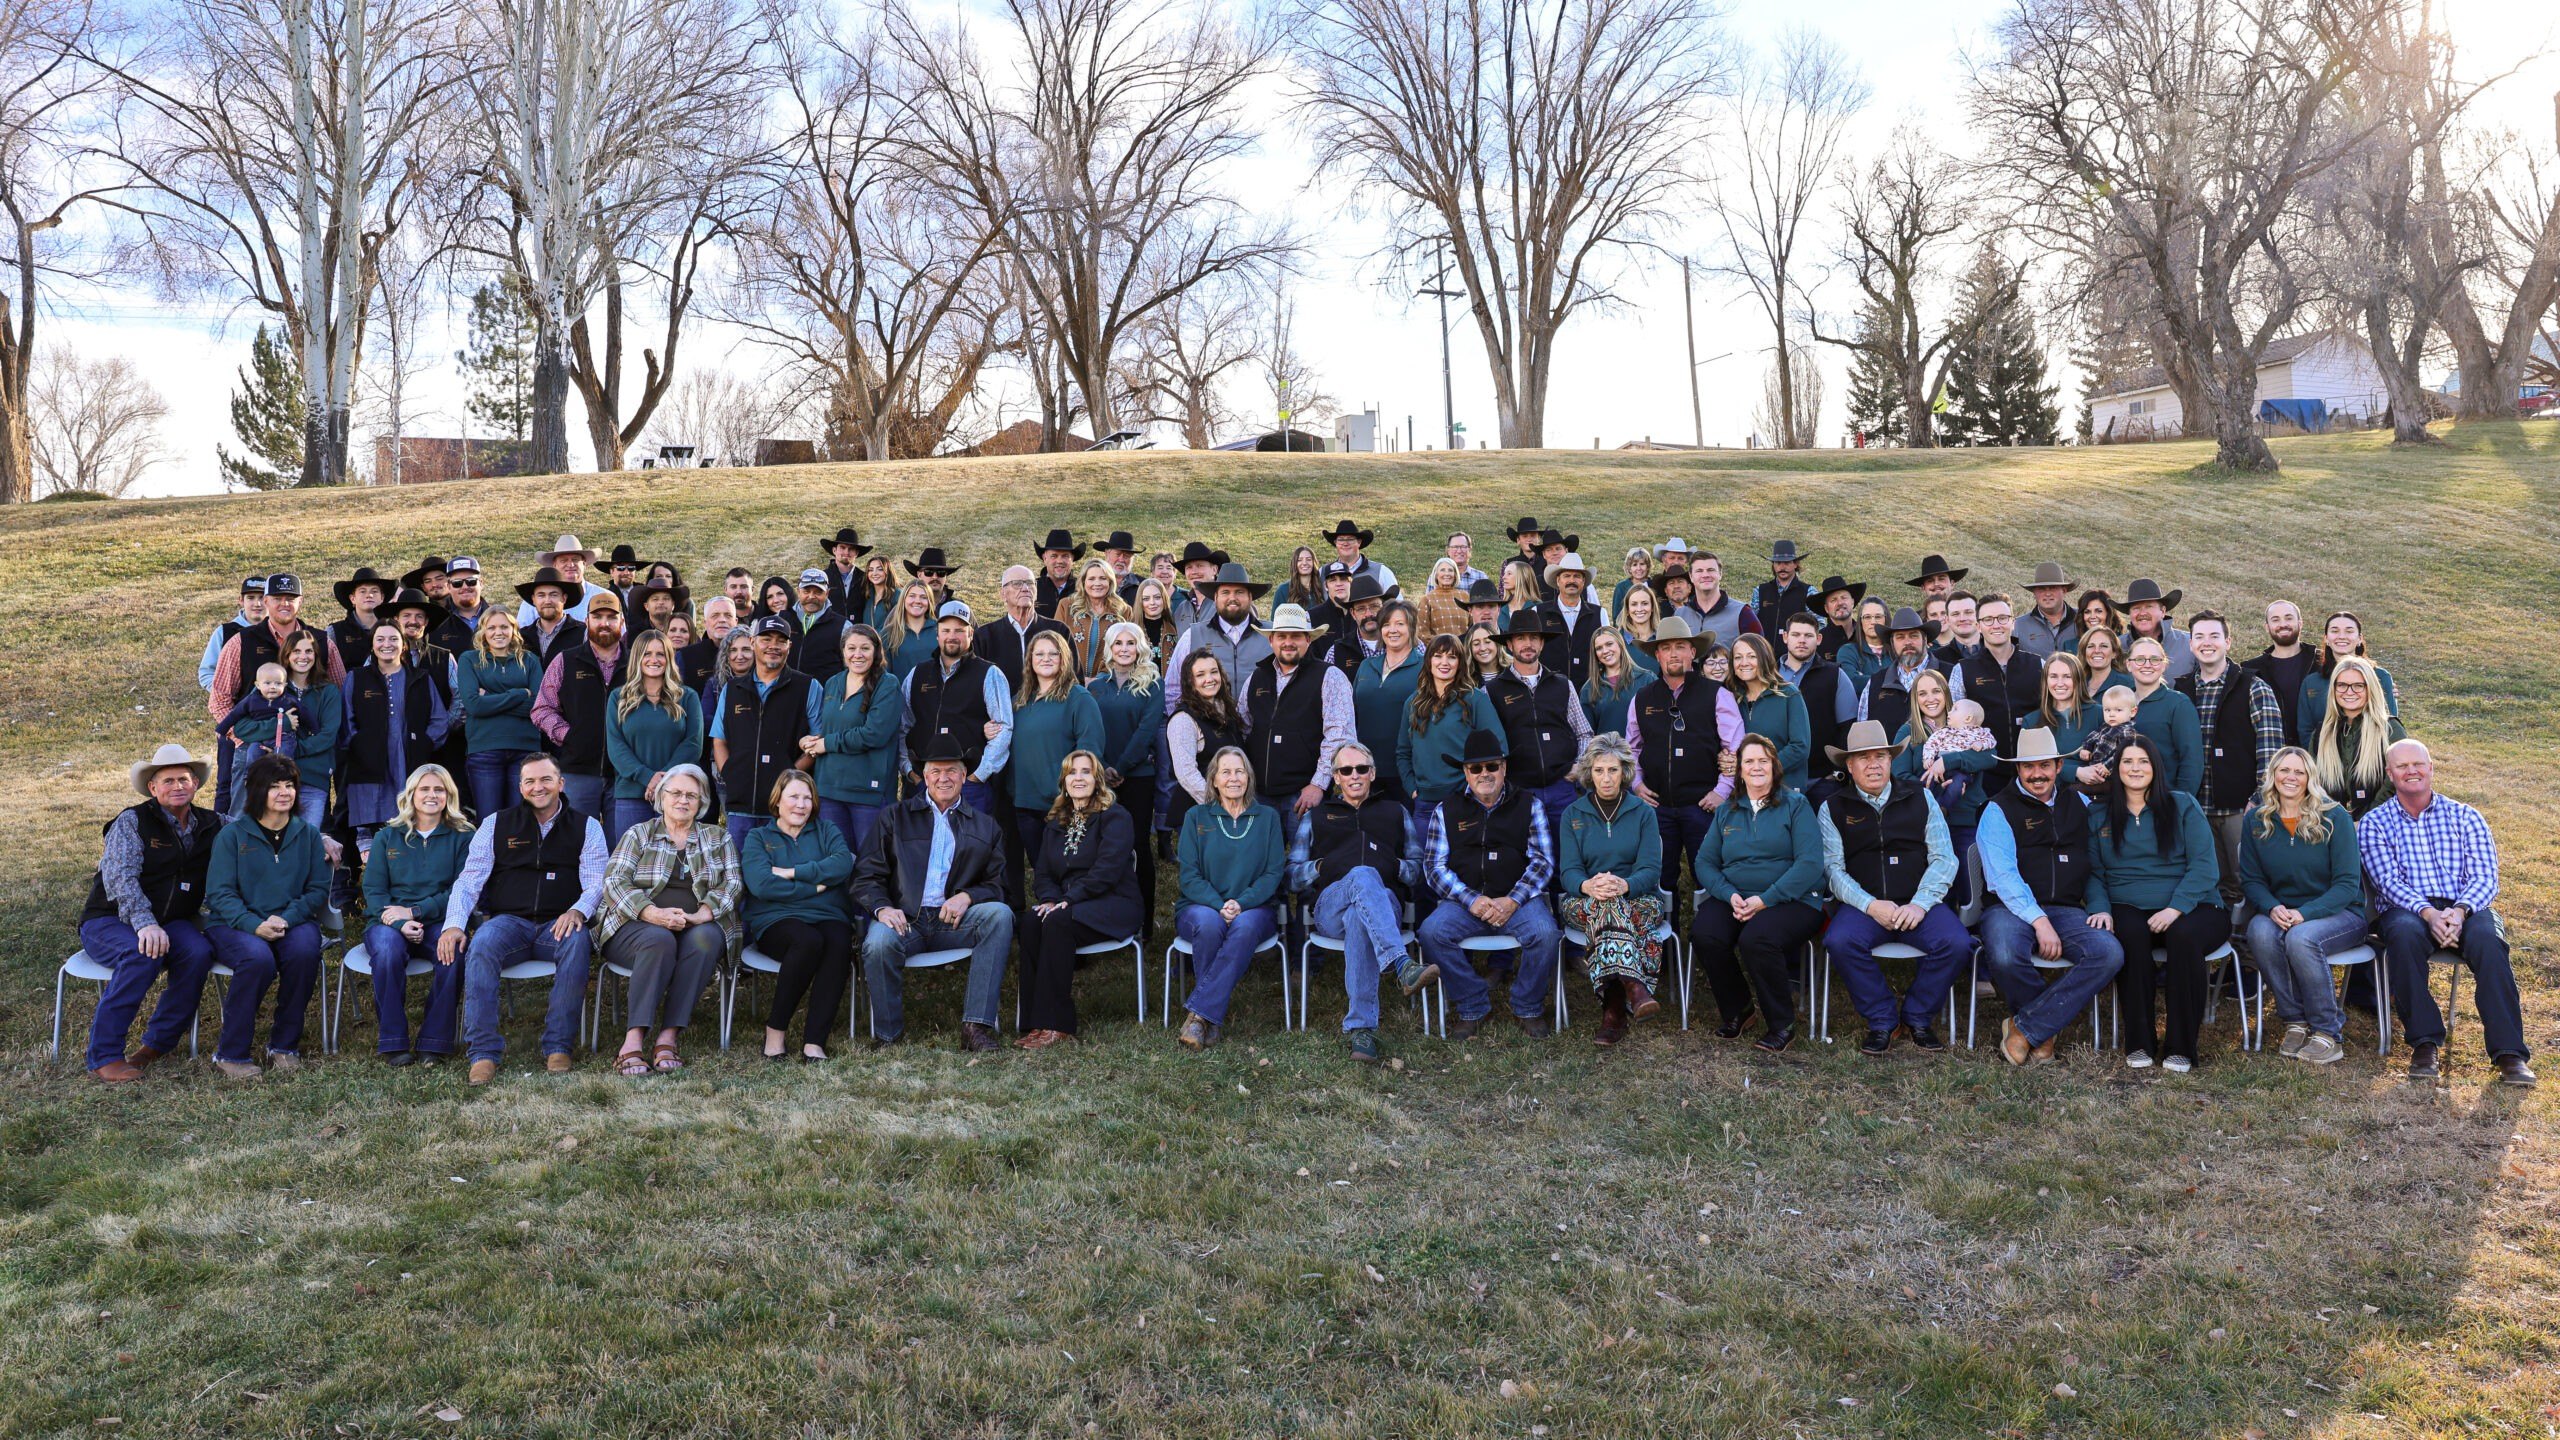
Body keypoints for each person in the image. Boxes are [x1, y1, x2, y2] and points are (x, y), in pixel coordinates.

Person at [2359, 739, 2531, 1085]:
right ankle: (2424, 1044)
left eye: (2418, 764)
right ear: (2390, 775)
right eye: (2402, 766)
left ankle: (2510, 1054)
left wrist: (2459, 911)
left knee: (2488, 941)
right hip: (2408, 908)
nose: (2412, 771)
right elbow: (2386, 881)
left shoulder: (2465, 815)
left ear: (2431, 769)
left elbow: (2485, 876)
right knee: (2403, 937)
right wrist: (2428, 914)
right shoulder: (2374, 823)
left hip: (2466, 905)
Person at [438, 754, 604, 1084]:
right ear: (520, 787)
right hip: (508, 922)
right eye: (530, 781)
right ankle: (483, 1053)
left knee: (578, 941)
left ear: (561, 783)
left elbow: (598, 881)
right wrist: (454, 923)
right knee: (482, 943)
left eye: (545, 779)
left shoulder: (587, 826)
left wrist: (578, 911)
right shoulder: (496, 824)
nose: (537, 787)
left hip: (559, 923)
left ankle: (558, 1046)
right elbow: (470, 879)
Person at [1817, 720, 1970, 1056]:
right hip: (1864, 907)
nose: (1874, 764)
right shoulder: (1833, 807)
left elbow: (1945, 858)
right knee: (1839, 941)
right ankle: (1884, 1019)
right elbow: (1833, 870)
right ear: (1850, 765)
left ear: (1891, 760)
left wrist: (1920, 903)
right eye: (1864, 758)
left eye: (1881, 756)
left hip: (1919, 903)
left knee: (1958, 944)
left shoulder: (1921, 797)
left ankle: (1917, 1016)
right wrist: (1871, 905)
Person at [851, 739, 1014, 1051]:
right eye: (936, 771)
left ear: (964, 777)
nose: (944, 778)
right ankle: (888, 1035)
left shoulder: (985, 826)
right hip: (905, 919)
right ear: (924, 778)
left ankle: (976, 1027)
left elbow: (999, 884)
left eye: (952, 771)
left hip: (953, 921)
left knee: (999, 916)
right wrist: (882, 908)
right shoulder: (894, 817)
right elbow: (865, 875)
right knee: (878, 943)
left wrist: (968, 895)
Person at [1975, 728, 2124, 1066]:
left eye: (2044, 765)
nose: (2036, 774)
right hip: (2009, 909)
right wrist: (2039, 921)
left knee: (2108, 952)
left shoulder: (2081, 803)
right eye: (2028, 767)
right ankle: (2045, 1030)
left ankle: (2026, 1028)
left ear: (2059, 766)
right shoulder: (1997, 810)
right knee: (2005, 954)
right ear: (2018, 770)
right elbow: (2002, 877)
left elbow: (2099, 859)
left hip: (2068, 909)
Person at [77, 745, 226, 1082]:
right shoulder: (132, 821)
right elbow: (120, 878)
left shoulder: (212, 822)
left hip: (171, 922)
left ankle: (157, 1044)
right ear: (153, 788)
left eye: (184, 779)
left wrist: (316, 839)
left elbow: (257, 832)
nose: (178, 786)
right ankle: (104, 1056)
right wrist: (144, 923)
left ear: (196, 784)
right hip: (109, 919)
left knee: (199, 952)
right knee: (140, 953)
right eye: (168, 780)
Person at [2087, 735, 2230, 1072]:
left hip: (2193, 906)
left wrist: (2175, 907)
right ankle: (2139, 1041)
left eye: (2143, 762)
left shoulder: (2182, 805)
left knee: (2184, 937)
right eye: (2127, 762)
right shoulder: (2098, 813)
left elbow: (2205, 866)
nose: (2135, 768)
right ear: (2116, 768)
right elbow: (2093, 871)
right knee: (2130, 935)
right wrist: (2100, 907)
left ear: (2156, 767)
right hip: (2127, 902)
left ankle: (2181, 1047)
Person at [1417, 729, 1562, 1038]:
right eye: (1476, 768)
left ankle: (1527, 1005)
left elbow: (1543, 861)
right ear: (1465, 773)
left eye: (1492, 766)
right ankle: (1472, 1004)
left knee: (1546, 933)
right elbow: (1433, 867)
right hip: (1465, 904)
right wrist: (1472, 900)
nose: (1485, 774)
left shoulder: (1529, 805)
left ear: (1504, 768)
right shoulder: (1446, 810)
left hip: (1519, 901)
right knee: (1431, 933)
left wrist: (1513, 899)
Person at [1290, 742, 1430, 1060]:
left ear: (1373, 773)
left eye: (1361, 769)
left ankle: (1362, 1031)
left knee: (1360, 913)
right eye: (1345, 770)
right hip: (1330, 908)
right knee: (1360, 880)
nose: (1354, 776)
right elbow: (1292, 876)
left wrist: (1391, 865)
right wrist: (1323, 866)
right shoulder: (1317, 816)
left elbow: (1416, 871)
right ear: (1336, 778)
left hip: (1385, 905)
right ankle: (1400, 962)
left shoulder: (1395, 812)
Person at [596, 764, 739, 1076]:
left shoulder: (718, 838)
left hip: (695, 923)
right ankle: (633, 1039)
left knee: (707, 939)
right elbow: (614, 882)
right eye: (675, 793)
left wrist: (705, 912)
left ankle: (668, 1036)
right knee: (658, 940)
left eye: (691, 795)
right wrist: (652, 913)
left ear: (702, 802)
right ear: (661, 797)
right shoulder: (639, 834)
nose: (683, 800)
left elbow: (732, 884)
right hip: (635, 925)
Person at [1691, 733, 1826, 1051]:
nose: (1756, 767)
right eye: (1749, 761)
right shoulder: (1727, 810)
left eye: (1763, 760)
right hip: (1737, 897)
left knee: (1757, 939)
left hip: (1793, 900)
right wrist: (1728, 894)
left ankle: (1782, 1024)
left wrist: (1766, 900)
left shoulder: (1796, 805)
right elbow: (1705, 862)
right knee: (1705, 932)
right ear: (1738, 769)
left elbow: (1810, 864)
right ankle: (1739, 1009)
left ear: (1775, 766)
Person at [200, 752, 332, 1077]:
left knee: (304, 951)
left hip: (291, 920)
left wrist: (287, 917)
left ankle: (283, 1046)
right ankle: (231, 1054)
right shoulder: (232, 836)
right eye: (275, 786)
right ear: (258, 790)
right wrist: (253, 924)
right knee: (257, 959)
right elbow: (219, 893)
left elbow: (316, 890)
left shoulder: (309, 835)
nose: (284, 792)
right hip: (235, 924)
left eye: (290, 785)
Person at [2234, 746, 2364, 1066]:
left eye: (2299, 772)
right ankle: (2295, 1020)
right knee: (2259, 931)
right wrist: (2271, 907)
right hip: (2283, 909)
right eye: (2284, 770)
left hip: (2340, 913)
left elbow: (2347, 884)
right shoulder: (2256, 819)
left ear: (2310, 777)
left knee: (2301, 937)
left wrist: (2305, 914)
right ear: (2273, 775)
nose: (2291, 777)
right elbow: (2251, 880)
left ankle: (2328, 1031)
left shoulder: (2335, 817)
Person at [1020, 751, 1142, 1048]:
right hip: (1068, 905)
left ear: (1097, 780)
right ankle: (1034, 1022)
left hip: (1115, 903)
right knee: (1032, 919)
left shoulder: (1115, 817)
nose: (1078, 778)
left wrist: (1068, 899)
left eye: (1086, 772)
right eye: (1072, 772)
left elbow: (1107, 871)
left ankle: (1057, 1025)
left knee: (1058, 921)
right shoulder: (1056, 823)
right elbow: (1044, 873)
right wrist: (1050, 898)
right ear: (1064, 781)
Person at [1169, 747, 1286, 1049]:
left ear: (1248, 777)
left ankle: (1201, 1016)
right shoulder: (1196, 817)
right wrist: (1219, 904)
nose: (1234, 778)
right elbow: (1189, 876)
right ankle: (1211, 1017)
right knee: (1209, 924)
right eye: (1226, 772)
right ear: (1214, 780)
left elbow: (1273, 874)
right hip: (1201, 906)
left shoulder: (1268, 818)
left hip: (1254, 909)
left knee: (1244, 926)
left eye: (1240, 771)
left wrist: (1242, 902)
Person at [358, 763, 472, 1064]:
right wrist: (400, 921)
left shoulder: (463, 836)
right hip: (389, 922)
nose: (431, 795)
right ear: (411, 794)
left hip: (441, 921)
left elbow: (463, 890)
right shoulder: (387, 836)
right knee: (386, 952)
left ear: (449, 795)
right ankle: (394, 1040)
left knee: (453, 954)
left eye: (439, 789)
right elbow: (374, 892)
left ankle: (435, 1041)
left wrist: (417, 911)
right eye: (425, 789)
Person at [1555, 733, 1664, 1047]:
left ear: (1625, 772)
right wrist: (1588, 885)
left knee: (1611, 908)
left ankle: (1613, 1010)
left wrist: (1625, 884)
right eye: (1599, 770)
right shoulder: (1573, 814)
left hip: (1638, 898)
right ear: (1589, 772)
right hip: (1584, 899)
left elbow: (1650, 870)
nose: (1606, 778)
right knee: (1604, 906)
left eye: (1613, 770)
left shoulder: (1643, 813)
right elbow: (1569, 872)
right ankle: (1635, 987)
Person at [741, 771, 855, 1062]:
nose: (801, 804)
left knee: (838, 941)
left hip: (828, 915)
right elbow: (761, 884)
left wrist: (793, 873)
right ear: (778, 800)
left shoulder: (827, 830)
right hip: (776, 920)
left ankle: (814, 1041)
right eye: (794, 796)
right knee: (807, 940)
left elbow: (842, 865)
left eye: (808, 798)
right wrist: (817, 885)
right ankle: (775, 1029)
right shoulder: (758, 837)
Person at [2176, 611, 2286, 905]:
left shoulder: (2254, 687)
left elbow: (2272, 752)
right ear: (2190, 644)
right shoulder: (2180, 690)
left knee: (2247, 881)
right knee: (2208, 882)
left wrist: (2258, 800)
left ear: (2228, 641)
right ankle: (2221, 944)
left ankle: (2251, 947)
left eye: (2214, 636)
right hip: (2195, 806)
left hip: (2240, 807)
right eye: (2199, 637)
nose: (2206, 643)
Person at [1625, 616, 1742, 883]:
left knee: (1709, 875)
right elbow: (1631, 748)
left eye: (1680, 646)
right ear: (1657, 654)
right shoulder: (1642, 698)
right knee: (1659, 876)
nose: (1673, 653)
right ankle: (1665, 923)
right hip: (1657, 806)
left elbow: (1734, 747)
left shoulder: (1717, 694)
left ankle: (1707, 924)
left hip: (1703, 805)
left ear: (1693, 652)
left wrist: (1721, 791)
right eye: (1666, 647)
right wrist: (1636, 784)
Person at [342, 621, 454, 879]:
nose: (387, 645)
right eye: (380, 639)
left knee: (407, 817)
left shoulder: (420, 677)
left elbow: (438, 719)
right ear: (372, 645)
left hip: (408, 758)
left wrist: (424, 744)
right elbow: (346, 720)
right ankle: (373, 881)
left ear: (403, 645)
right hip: (367, 761)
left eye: (393, 639)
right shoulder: (356, 678)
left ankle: (408, 878)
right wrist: (359, 744)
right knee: (369, 824)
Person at [716, 615, 824, 848]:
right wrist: (731, 774)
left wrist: (789, 780)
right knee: (739, 875)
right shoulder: (733, 688)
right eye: (766, 639)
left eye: (780, 641)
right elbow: (719, 739)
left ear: (789, 646)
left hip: (784, 809)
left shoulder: (808, 687)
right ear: (753, 642)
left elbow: (816, 743)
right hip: (740, 807)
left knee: (779, 875)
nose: (773, 646)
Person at [1243, 603, 1356, 814]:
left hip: (1304, 793)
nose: (1288, 643)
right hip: (1258, 794)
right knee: (1264, 848)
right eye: (1281, 636)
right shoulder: (1256, 677)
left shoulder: (1329, 676)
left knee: (1303, 848)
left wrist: (1318, 784)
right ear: (1271, 640)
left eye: (1295, 636)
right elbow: (1243, 727)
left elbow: (1340, 735)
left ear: (1308, 639)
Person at [1485, 607, 1591, 830]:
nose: (1528, 644)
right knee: (1527, 857)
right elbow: (1490, 745)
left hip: (1562, 788)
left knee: (1568, 855)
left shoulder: (1563, 685)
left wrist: (1577, 768)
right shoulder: (1492, 691)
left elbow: (1584, 733)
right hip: (1519, 791)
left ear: (1542, 643)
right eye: (1520, 638)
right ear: (1509, 644)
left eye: (1534, 637)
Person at [1086, 621, 1162, 926]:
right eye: (1119, 643)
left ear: (1140, 647)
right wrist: (1103, 766)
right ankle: (1103, 916)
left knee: (1138, 845)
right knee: (1099, 846)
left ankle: (1144, 921)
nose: (1125, 649)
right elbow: (1089, 729)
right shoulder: (1095, 687)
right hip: (1099, 778)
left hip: (1138, 777)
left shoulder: (1153, 684)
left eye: (1131, 643)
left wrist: (1122, 767)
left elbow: (1146, 731)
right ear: (1110, 649)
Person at [802, 624, 901, 856]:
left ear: (876, 651)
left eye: (865, 648)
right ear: (843, 651)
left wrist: (827, 744)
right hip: (829, 789)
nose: (858, 654)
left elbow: (874, 734)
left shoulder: (887, 684)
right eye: (851, 648)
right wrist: (811, 740)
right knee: (837, 861)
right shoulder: (833, 682)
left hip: (867, 792)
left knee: (871, 863)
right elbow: (830, 729)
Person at [602, 629, 707, 847]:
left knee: (675, 865)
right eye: (647, 654)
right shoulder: (618, 698)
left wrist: (665, 779)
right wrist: (647, 777)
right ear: (637, 658)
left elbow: (693, 744)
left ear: (669, 659)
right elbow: (616, 746)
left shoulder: (686, 696)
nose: (654, 660)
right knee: (631, 864)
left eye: (660, 654)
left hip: (678, 796)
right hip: (632, 796)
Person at [1009, 629, 1106, 860]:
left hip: (1063, 806)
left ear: (1064, 659)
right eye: (1039, 653)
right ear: (1030, 660)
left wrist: (1073, 796)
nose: (1046, 659)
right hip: (1024, 803)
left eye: (1053, 653)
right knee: (1040, 871)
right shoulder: (1019, 701)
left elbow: (1090, 751)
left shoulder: (1078, 698)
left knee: (1067, 870)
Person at [532, 587, 628, 820]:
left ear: (622, 621)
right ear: (587, 620)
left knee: (621, 846)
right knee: (578, 844)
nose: (604, 623)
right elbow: (542, 709)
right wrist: (570, 735)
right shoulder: (566, 660)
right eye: (597, 617)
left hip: (625, 774)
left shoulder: (636, 662)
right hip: (578, 771)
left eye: (611, 617)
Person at [207, 573, 346, 732]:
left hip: (309, 745)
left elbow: (341, 695)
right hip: (252, 748)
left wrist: (322, 737)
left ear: (300, 601)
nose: (284, 604)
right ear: (266, 601)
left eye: (290, 599)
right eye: (277, 598)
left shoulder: (322, 642)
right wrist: (242, 737)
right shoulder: (241, 642)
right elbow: (219, 701)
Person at [1895, 680, 1996, 884]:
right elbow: (1900, 776)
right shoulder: (1908, 732)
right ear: (1915, 699)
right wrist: (1934, 788)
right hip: (1927, 818)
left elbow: (1990, 757)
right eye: (1922, 693)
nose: (1930, 698)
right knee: (1937, 882)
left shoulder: (1971, 727)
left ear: (1947, 695)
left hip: (1967, 817)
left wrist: (1948, 761)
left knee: (1970, 880)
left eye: (1936, 691)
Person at [1400, 632, 1502, 829]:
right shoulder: (1413, 703)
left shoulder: (1475, 699)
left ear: (1460, 663)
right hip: (1424, 803)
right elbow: (1403, 752)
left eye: (1452, 656)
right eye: (1438, 655)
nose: (1444, 662)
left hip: (1466, 799)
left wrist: (1477, 787)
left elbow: (1498, 746)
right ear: (1428, 660)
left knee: (1464, 859)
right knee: (1425, 859)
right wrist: (1412, 788)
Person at [454, 609, 543, 822]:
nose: (498, 632)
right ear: (483, 632)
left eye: (504, 627)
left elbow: (537, 706)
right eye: (492, 627)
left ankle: (520, 857)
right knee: (489, 821)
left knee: (521, 819)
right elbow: (473, 705)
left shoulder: (529, 660)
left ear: (513, 630)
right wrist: (520, 693)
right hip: (485, 751)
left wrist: (490, 697)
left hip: (525, 751)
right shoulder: (470, 659)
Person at [1162, 562, 1274, 714]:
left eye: (1239, 592)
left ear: (1250, 597)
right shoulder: (1193, 635)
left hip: (1261, 732)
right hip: (1210, 732)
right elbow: (1173, 689)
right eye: (1225, 592)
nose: (1232, 598)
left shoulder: (1272, 635)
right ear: (1215, 597)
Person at [2309, 655, 2405, 816]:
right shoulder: (2322, 733)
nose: (2349, 692)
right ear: (2333, 689)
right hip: (2332, 825)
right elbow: (2313, 784)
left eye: (2358, 685)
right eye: (2342, 685)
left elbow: (2396, 782)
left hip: (2379, 825)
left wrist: (2366, 820)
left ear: (2370, 688)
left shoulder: (2389, 729)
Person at [1166, 649, 1246, 830]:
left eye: (1214, 671)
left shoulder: (1227, 710)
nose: (1209, 679)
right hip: (1201, 810)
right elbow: (1186, 773)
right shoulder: (1183, 720)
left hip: (1232, 808)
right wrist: (1220, 805)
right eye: (1200, 675)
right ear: (1190, 682)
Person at [217, 662, 311, 816]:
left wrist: (314, 730)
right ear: (257, 685)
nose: (273, 687)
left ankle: (283, 775)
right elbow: (235, 715)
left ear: (285, 685)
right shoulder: (252, 700)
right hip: (260, 739)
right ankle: (250, 777)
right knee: (253, 752)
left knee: (284, 753)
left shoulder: (288, 700)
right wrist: (221, 729)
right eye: (267, 683)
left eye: (278, 683)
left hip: (283, 737)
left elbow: (305, 714)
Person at [1352, 602, 1424, 803]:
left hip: (1406, 773)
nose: (1392, 630)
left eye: (1400, 624)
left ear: (1411, 628)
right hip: (1365, 771)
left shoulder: (1425, 667)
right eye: (1386, 624)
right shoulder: (1367, 666)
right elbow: (1353, 713)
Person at [1775, 612, 1851, 794]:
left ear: (1818, 639)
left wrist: (1837, 771)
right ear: (1785, 637)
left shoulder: (1835, 675)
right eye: (1795, 635)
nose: (1802, 640)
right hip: (1775, 778)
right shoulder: (1770, 675)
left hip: (1821, 781)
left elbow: (1848, 727)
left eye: (1808, 635)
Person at [2298, 610, 2401, 738]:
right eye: (2335, 631)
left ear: (2360, 638)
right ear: (2326, 639)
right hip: (2323, 756)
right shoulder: (2311, 682)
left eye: (2349, 631)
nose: (2341, 636)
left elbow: (2390, 726)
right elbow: (2305, 731)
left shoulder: (2380, 677)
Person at [1728, 634, 1811, 792]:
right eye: (1738, 657)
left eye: (1751, 656)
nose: (1744, 663)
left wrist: (1761, 769)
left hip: (1783, 790)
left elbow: (1800, 747)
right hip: (1743, 792)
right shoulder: (1730, 698)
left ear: (1764, 658)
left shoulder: (1788, 694)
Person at [2124, 635, 2203, 797]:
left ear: (2164, 665)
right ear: (2128, 665)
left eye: (2154, 659)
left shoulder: (2178, 704)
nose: (2147, 665)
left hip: (2163, 801)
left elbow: (2191, 762)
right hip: (2124, 801)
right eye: (2139, 659)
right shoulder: (2121, 702)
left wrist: (2180, 803)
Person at [282, 632, 341, 826]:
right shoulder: (273, 688)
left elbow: (328, 735)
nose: (303, 656)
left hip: (313, 778)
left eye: (309, 651)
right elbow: (251, 721)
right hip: (276, 780)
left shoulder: (328, 691)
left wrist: (292, 749)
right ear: (287, 655)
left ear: (316, 655)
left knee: (308, 838)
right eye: (296, 651)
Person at [2242, 599, 2319, 745]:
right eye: (2275, 620)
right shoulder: (2251, 671)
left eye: (2289, 618)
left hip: (2319, 752)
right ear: (2267, 627)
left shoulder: (2322, 662)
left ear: (2300, 623)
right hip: (2274, 753)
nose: (2283, 624)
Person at [1857, 606, 1932, 736]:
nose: (1907, 642)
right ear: (1892, 643)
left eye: (1913, 636)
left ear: (1924, 639)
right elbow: (1864, 731)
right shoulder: (1875, 682)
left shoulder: (1947, 674)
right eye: (1900, 637)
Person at [1537, 552, 1604, 685]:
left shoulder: (1599, 614)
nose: (1571, 581)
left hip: (1589, 691)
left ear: (1583, 581)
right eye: (1566, 576)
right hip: (1549, 689)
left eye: (1577, 576)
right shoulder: (1538, 612)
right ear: (1558, 580)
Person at [514, 535, 614, 625]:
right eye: (564, 560)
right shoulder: (532, 603)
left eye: (575, 559)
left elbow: (620, 637)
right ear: (554, 565)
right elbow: (521, 637)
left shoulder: (603, 596)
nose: (570, 565)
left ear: (584, 563)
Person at [1057, 557, 1130, 676]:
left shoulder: (1124, 610)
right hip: (1070, 682)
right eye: (1091, 579)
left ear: (1110, 582)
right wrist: (1075, 679)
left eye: (1103, 578)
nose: (1097, 583)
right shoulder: (1066, 606)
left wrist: (1100, 679)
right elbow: (1055, 645)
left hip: (1108, 682)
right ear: (1083, 582)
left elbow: (1129, 650)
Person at [1676, 553, 1762, 650]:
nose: (1705, 575)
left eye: (1711, 570)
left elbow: (1759, 653)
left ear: (1720, 574)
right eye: (1699, 571)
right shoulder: (1680, 615)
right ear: (1691, 576)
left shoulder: (1742, 613)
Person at [200, 575, 270, 693]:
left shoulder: (281, 631)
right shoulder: (224, 632)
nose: (257, 603)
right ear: (241, 600)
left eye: (262, 598)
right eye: (251, 598)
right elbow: (207, 673)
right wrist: (225, 695)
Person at [2120, 579, 2194, 681]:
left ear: (2163, 611)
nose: (2142, 613)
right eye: (2136, 608)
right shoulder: (2117, 647)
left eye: (2149, 606)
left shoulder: (2190, 645)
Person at [1580, 626, 1647, 739]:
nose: (1605, 651)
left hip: (1640, 754)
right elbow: (1587, 736)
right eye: (1599, 648)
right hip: (1606, 755)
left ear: (1620, 644)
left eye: (1609, 644)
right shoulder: (1589, 688)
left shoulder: (1646, 679)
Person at [785, 568, 850, 683]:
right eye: (806, 591)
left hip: (825, 696)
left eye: (818, 592)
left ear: (827, 593)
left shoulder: (843, 626)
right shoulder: (782, 619)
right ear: (798, 591)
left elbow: (851, 667)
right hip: (786, 694)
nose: (811, 596)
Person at [327, 565, 396, 672]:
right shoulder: (334, 632)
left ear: (382, 597)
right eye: (363, 591)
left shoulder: (394, 629)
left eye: (374, 591)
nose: (369, 595)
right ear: (352, 598)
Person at [2075, 685, 2143, 792]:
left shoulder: (2127, 731)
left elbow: (2123, 753)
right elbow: (2093, 736)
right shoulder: (2105, 727)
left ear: (2133, 712)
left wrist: (2107, 766)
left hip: (2112, 775)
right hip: (2096, 769)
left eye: (2118, 710)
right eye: (2107, 710)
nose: (2111, 714)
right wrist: (2086, 748)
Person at [515, 568, 587, 667]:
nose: (547, 601)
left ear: (564, 598)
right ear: (533, 600)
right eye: (541, 595)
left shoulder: (583, 633)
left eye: (553, 595)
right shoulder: (522, 636)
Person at [2015, 562, 2082, 660]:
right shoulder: (2018, 626)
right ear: (2034, 592)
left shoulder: (2082, 619)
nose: (2047, 594)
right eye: (2041, 589)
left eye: (2053, 588)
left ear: (2064, 590)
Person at [881, 580, 940, 679]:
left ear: (929, 602)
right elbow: (884, 675)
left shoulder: (940, 630)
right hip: (901, 693)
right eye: (912, 596)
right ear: (903, 599)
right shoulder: (887, 634)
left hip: (936, 693)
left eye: (923, 597)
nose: (917, 601)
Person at [429, 556, 489, 654]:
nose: (465, 587)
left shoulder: (499, 618)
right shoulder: (437, 624)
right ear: (448, 587)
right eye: (457, 583)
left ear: (481, 583)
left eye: (471, 581)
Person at [1751, 539, 1812, 635]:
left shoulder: (1809, 592)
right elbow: (1752, 624)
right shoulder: (1760, 591)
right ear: (1773, 565)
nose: (1782, 567)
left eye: (1787, 563)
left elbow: (1817, 625)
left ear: (1795, 564)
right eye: (1778, 563)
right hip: (1765, 649)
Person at [1320, 518, 1398, 591]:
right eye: (1341, 539)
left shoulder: (1381, 572)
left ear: (1359, 542)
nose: (1345, 543)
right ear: (1335, 543)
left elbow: (1396, 604)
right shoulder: (1323, 572)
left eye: (1350, 539)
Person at [1835, 595, 1891, 690]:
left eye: (1878, 616)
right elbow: (1852, 682)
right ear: (1860, 622)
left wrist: (1864, 677)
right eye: (1867, 617)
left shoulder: (1898, 650)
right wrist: (1892, 680)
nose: (1873, 622)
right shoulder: (1848, 651)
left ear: (1886, 620)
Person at [820, 526, 875, 618]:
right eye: (842, 547)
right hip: (831, 630)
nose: (847, 552)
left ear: (856, 553)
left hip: (857, 630)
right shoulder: (822, 577)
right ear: (834, 550)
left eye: (851, 549)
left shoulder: (865, 578)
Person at [1033, 527, 1086, 617]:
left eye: (1065, 556)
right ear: (1045, 558)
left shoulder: (1084, 589)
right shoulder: (1031, 588)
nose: (1059, 561)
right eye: (1054, 556)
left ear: (1072, 559)